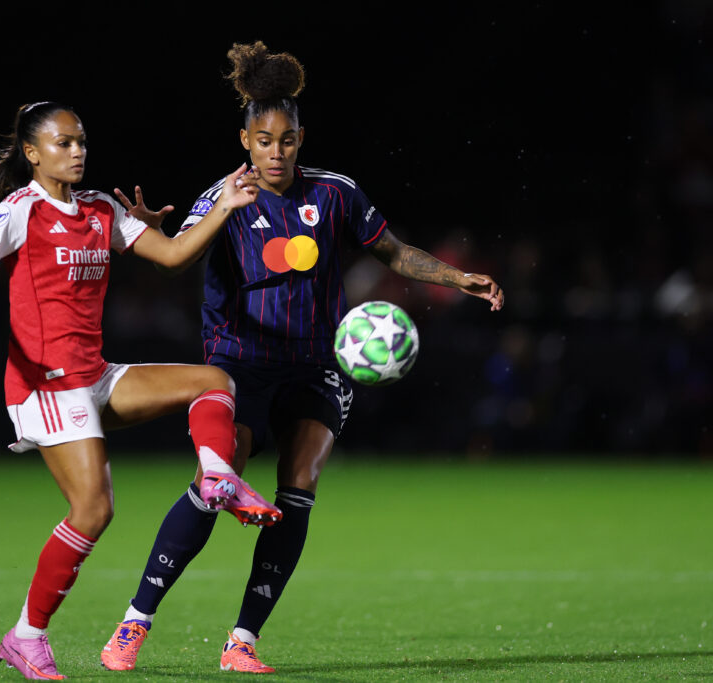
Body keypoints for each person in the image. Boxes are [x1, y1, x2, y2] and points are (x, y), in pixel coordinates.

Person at [100, 42, 505, 674]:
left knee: (299, 490)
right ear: (245, 139)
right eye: (264, 140)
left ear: (301, 138)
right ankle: (135, 621)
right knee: (216, 483)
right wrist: (152, 231)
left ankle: (243, 640)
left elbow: (393, 251)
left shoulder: (336, 193)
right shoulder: (226, 196)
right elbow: (176, 257)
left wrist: (457, 278)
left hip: (317, 364)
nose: (277, 153)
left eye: (287, 140)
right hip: (238, 364)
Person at [0, 101, 284, 681]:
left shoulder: (100, 209)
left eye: (81, 142)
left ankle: (216, 474)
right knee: (94, 509)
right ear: (32, 153)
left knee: (213, 381)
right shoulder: (20, 210)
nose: (77, 152)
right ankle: (25, 637)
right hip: (44, 386)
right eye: (62, 143)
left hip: (94, 377)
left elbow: (174, 256)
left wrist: (224, 204)